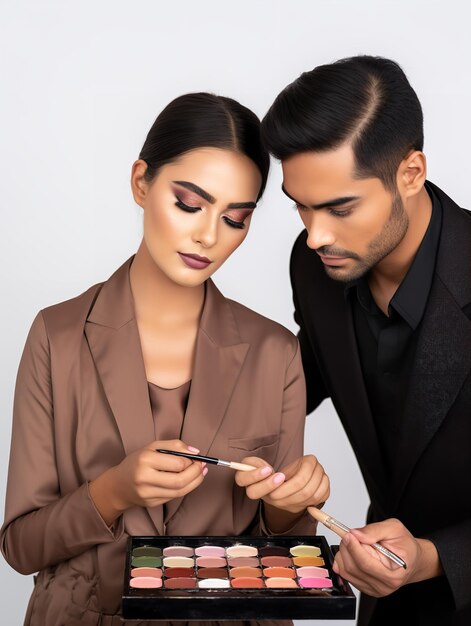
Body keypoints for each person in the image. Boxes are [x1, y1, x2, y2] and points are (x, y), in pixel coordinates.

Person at [0, 92, 330, 626]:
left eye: (235, 219)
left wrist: (289, 506)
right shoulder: (57, 336)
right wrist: (112, 492)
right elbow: (20, 547)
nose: (208, 236)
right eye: (189, 203)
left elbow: (281, 549)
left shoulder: (275, 352)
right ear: (140, 183)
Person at [261, 56, 471, 626]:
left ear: (411, 172)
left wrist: (432, 557)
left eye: (339, 207)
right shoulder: (315, 267)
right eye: (300, 206)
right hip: (383, 606)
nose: (315, 234)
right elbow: (299, 380)